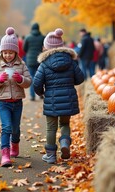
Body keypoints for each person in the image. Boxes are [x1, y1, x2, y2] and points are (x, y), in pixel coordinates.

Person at [33, 28, 84, 164]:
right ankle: (65, 144)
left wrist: (41, 93)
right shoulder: (70, 61)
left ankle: (50, 156)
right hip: (68, 98)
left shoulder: (44, 64)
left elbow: (36, 84)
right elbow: (80, 79)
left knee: (51, 127)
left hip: (51, 99)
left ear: (46, 47)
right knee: (65, 123)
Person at [0, 27, 32, 167]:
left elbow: (29, 82)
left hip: (17, 102)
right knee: (6, 127)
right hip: (3, 103)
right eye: (5, 52)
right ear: (1, 52)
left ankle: (15, 145)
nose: (7, 55)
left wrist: (21, 79)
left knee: (15, 128)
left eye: (10, 52)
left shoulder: (21, 64)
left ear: (15, 52)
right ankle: (5, 155)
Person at [23, 23, 45, 101]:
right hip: (40, 59)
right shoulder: (42, 37)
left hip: (30, 61)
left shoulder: (28, 37)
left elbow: (24, 48)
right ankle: (40, 94)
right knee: (40, 77)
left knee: (31, 77)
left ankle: (32, 96)